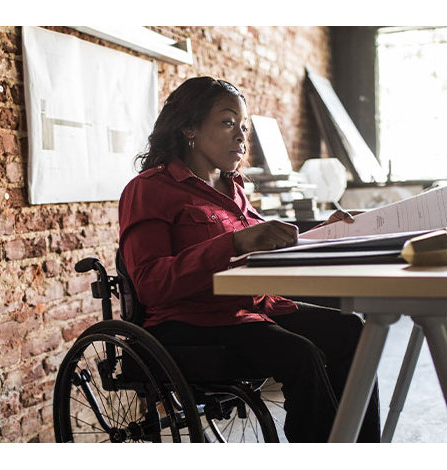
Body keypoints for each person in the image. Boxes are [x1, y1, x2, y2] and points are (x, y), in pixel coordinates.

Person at [118, 76, 380, 443]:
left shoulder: (234, 188)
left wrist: (325, 232)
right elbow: (150, 283)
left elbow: (266, 246)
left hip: (254, 309)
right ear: (189, 127)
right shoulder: (148, 189)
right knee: (299, 354)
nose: (241, 136)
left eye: (244, 126)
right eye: (227, 123)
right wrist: (235, 242)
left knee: (353, 331)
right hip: (190, 321)